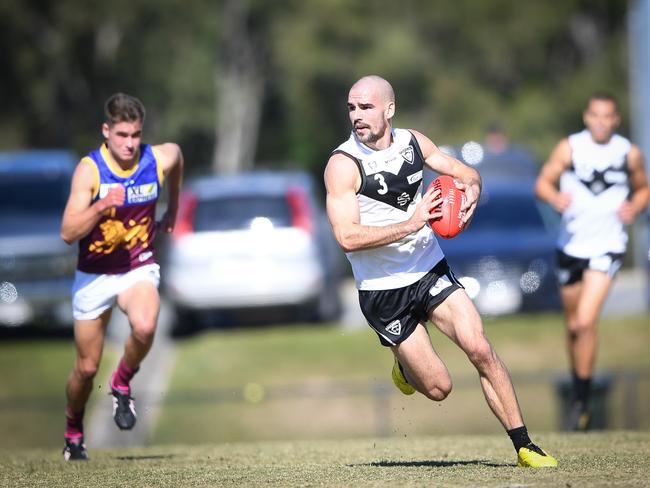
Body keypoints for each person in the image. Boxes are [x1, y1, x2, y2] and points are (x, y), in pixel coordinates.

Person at [324, 75, 557, 468]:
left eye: (366, 107)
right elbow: (346, 237)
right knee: (438, 387)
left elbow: (466, 174)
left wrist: (473, 191)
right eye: (352, 107)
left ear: (389, 109)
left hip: (429, 268)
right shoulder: (343, 165)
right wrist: (413, 222)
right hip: (383, 291)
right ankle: (404, 364)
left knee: (480, 348)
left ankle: (524, 446)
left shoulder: (414, 143)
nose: (357, 116)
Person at [60, 93, 184, 460]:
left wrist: (173, 209)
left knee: (145, 326)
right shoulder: (91, 170)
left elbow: (176, 156)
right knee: (85, 368)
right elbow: (67, 232)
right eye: (122, 135)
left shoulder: (155, 158)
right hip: (94, 275)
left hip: (136, 266)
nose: (130, 143)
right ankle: (73, 431)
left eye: (136, 134)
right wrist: (101, 205)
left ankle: (121, 384)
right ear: (106, 131)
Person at [535, 92, 649, 431]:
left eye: (608, 116)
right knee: (572, 327)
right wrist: (554, 196)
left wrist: (637, 205)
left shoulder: (627, 153)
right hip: (571, 246)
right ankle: (579, 392)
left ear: (616, 120)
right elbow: (542, 183)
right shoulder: (569, 148)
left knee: (585, 322)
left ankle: (581, 402)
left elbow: (643, 188)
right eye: (595, 116)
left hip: (608, 245)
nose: (601, 122)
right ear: (587, 117)